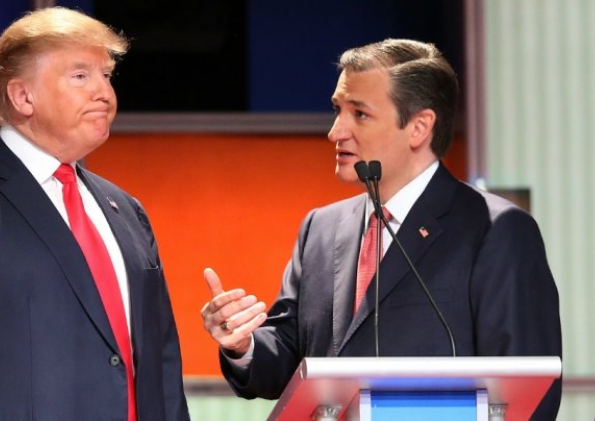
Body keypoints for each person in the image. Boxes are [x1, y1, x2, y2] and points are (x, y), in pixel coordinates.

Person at [200, 38, 562, 419]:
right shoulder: (321, 228)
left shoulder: (495, 231)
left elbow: (530, 392)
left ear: (419, 127)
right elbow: (287, 358)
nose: (335, 131)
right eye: (338, 110)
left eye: (359, 114)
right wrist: (243, 345)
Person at [0, 7, 190, 421]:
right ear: (22, 96)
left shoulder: (126, 210)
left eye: (106, 75)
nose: (103, 91)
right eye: (81, 76)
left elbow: (161, 365)